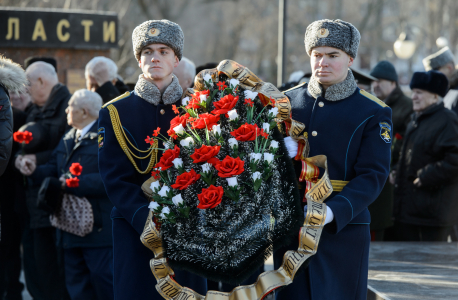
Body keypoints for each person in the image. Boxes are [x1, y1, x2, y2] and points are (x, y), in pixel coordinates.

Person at [275, 19, 392, 299]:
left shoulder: (373, 111)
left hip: (344, 232)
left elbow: (373, 175)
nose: (322, 62)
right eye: (317, 55)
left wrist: (333, 211)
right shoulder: (286, 103)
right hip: (294, 230)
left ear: (350, 59)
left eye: (332, 55)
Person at [98, 19, 207, 299]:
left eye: (163, 51)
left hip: (190, 230)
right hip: (135, 230)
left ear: (176, 59)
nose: (154, 57)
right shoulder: (115, 112)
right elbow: (115, 178)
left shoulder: (198, 109)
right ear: (138, 58)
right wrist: (147, 221)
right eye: (147, 51)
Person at [21, 89, 114, 300]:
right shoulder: (69, 137)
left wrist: (74, 183)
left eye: (70, 106)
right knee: (76, 287)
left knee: (104, 285)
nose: (65, 110)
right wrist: (33, 169)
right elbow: (53, 168)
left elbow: (110, 179)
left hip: (98, 232)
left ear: (83, 112)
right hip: (69, 229)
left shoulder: (106, 138)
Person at [15, 61, 71, 300]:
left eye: (28, 85)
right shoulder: (36, 108)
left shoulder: (69, 108)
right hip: (32, 205)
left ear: (41, 82)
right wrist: (20, 159)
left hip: (56, 206)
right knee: (36, 270)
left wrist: (34, 159)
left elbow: (67, 152)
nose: (25, 91)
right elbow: (23, 145)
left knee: (54, 274)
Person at [392, 71, 458, 241]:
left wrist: (426, 176)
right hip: (411, 212)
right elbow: (410, 155)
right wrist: (396, 172)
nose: (413, 97)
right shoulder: (416, 119)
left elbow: (454, 160)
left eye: (419, 93)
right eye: (413, 92)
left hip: (432, 215)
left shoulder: (447, 120)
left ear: (435, 96)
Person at [368, 60, 412, 241]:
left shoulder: (406, 106)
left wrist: (393, 166)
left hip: (392, 179)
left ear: (393, 83)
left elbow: (405, 142)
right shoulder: (372, 103)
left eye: (380, 81)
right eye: (373, 81)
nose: (375, 85)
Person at [0, 55, 28, 299]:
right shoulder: (16, 116)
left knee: (8, 249)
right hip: (9, 194)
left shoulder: (19, 118)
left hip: (9, 194)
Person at [423, 47, 458, 113]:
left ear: (449, 68)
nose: (433, 78)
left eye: (435, 73)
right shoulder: (448, 89)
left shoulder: (453, 89)